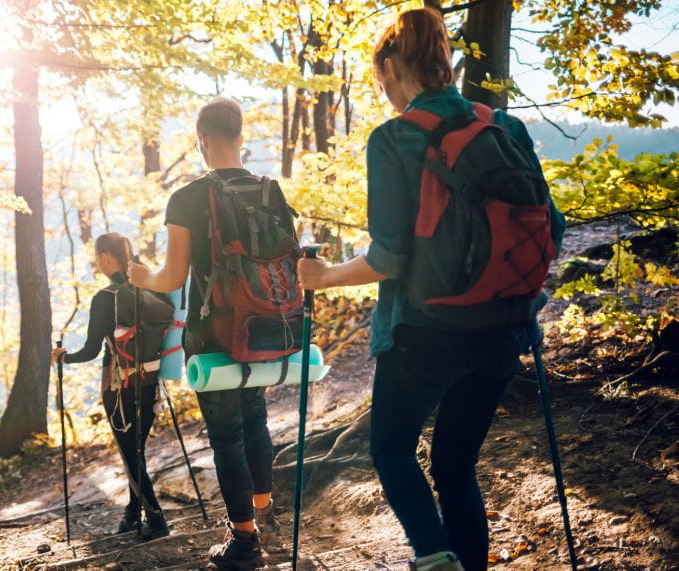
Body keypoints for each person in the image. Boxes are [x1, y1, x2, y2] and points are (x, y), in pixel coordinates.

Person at [297, 8, 565, 571]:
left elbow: (389, 258)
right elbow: (554, 228)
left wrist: (325, 277)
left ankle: (436, 558)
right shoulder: (505, 127)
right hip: (505, 327)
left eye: (381, 79)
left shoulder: (395, 137)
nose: (384, 91)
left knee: (392, 449)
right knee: (456, 466)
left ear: (392, 69)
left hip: (425, 333)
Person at [130, 97, 294, 569]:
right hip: (265, 323)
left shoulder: (186, 198)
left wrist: (142, 277)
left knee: (226, 436)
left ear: (202, 140)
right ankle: (264, 515)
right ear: (240, 136)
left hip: (213, 331)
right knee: (255, 418)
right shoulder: (270, 191)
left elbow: (172, 277)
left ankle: (244, 540)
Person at [52, 232, 170, 540]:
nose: (97, 263)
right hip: (150, 381)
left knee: (131, 454)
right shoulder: (150, 289)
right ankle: (132, 513)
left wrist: (64, 357)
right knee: (137, 450)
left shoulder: (105, 298)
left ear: (106, 257)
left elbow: (91, 350)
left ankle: (156, 519)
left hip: (119, 386)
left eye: (97, 258)